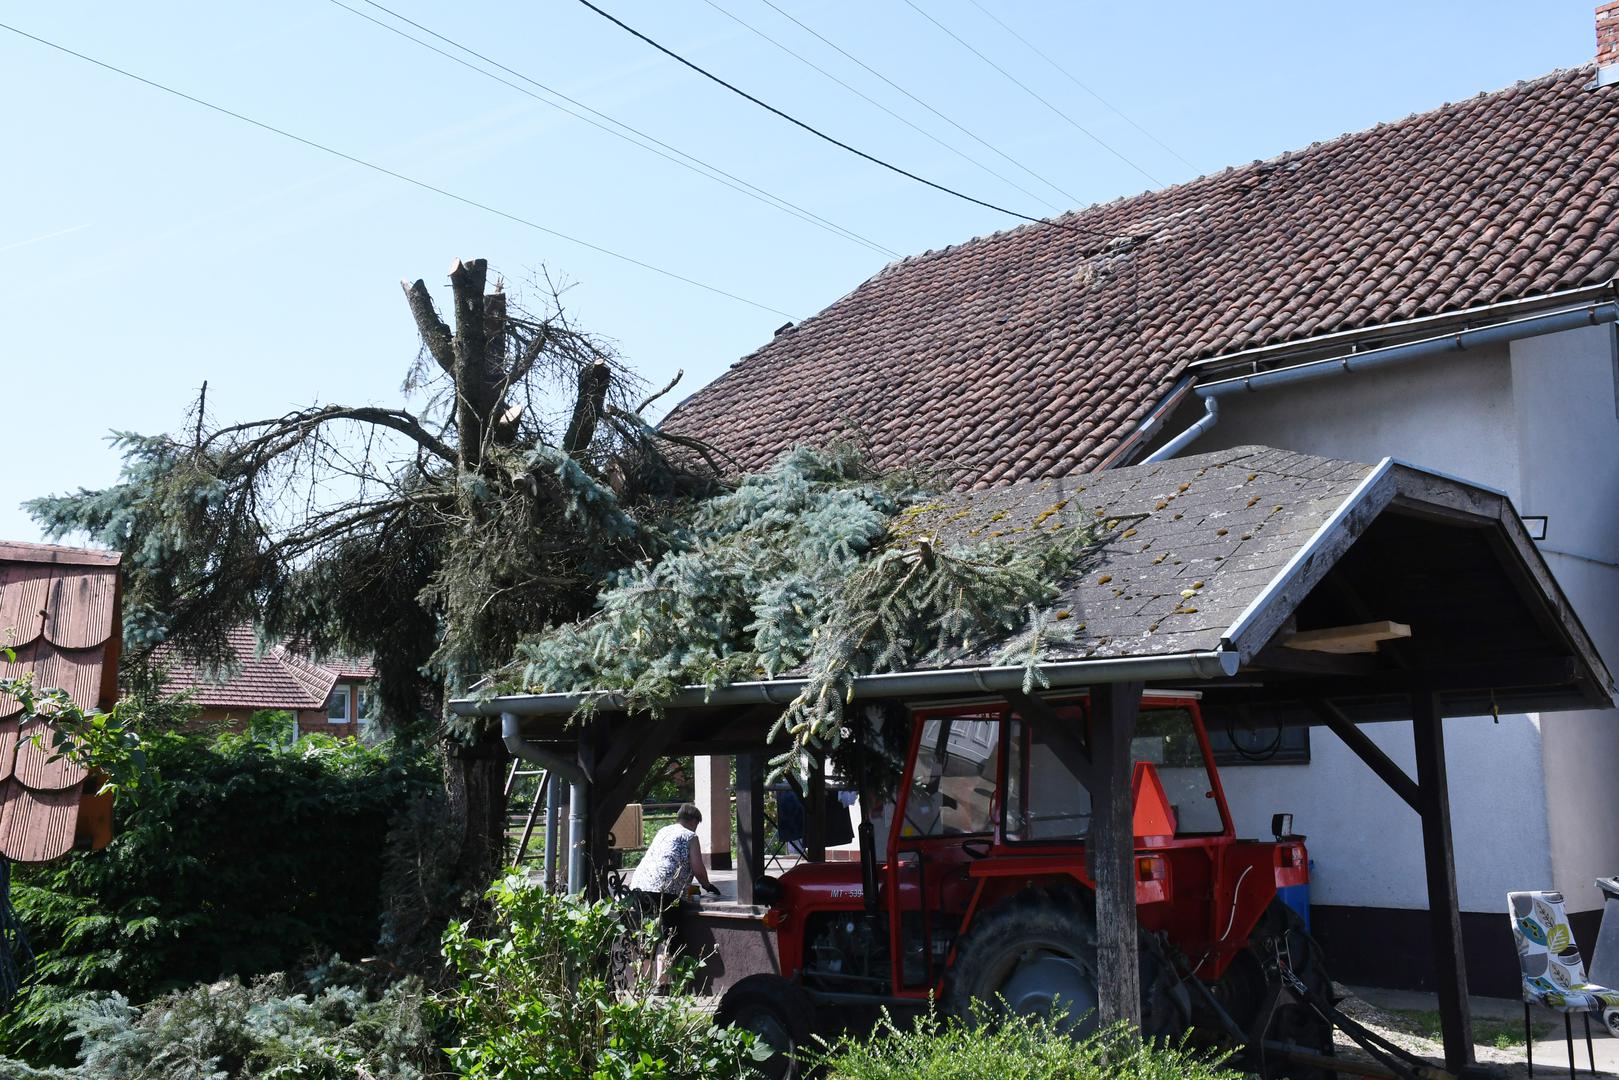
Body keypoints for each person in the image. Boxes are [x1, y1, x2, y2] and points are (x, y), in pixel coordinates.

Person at [628, 803, 720, 987]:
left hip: (639, 886)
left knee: (645, 935)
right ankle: (663, 985)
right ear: (693, 821)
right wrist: (707, 885)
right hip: (666, 890)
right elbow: (698, 868)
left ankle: (642, 984)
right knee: (670, 935)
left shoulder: (663, 831)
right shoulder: (690, 835)